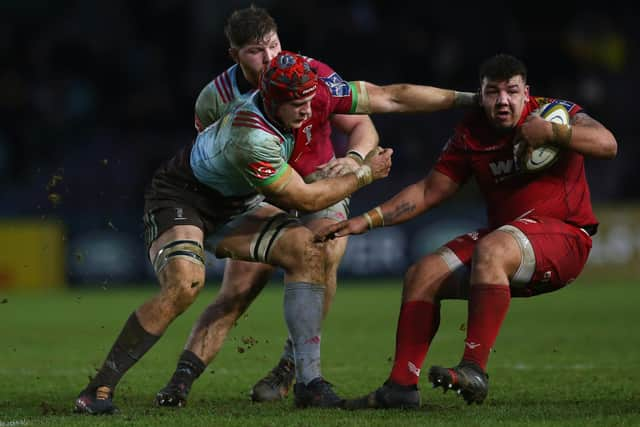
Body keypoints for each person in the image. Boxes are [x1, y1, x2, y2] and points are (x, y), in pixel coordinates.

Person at [73, 50, 477, 414]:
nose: (306, 112)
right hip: (184, 199)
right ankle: (99, 389)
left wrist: (469, 100)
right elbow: (303, 199)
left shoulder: (313, 91)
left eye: (308, 101)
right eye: (295, 105)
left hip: (237, 202)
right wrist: (365, 173)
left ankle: (308, 383)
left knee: (310, 249)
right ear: (271, 100)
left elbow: (393, 95)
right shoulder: (252, 135)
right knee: (186, 284)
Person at [316, 53, 617, 409]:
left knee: (492, 247)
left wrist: (554, 132)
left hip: (565, 238)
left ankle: (474, 368)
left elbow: (607, 145)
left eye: (511, 91)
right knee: (421, 275)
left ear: (526, 94)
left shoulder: (554, 111)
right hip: (508, 238)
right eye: (493, 92)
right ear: (481, 94)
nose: (502, 100)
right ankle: (400, 387)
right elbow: (430, 191)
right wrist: (365, 221)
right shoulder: (471, 133)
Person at [184, 5, 380, 404]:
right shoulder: (214, 100)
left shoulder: (307, 73)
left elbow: (362, 122)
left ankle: (293, 369)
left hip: (318, 189)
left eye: (273, 45)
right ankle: (180, 381)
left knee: (323, 254)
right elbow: (213, 158)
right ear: (234, 55)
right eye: (256, 51)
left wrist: (356, 160)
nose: (269, 57)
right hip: (260, 197)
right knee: (237, 291)